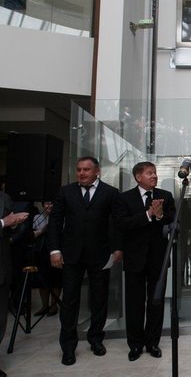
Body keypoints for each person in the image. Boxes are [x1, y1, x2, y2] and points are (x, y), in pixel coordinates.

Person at [47, 157, 122, 366]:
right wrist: (54, 250)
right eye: (79, 169)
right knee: (70, 300)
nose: (82, 173)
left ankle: (96, 339)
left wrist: (117, 247)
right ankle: (68, 347)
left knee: (99, 299)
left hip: (100, 254)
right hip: (71, 255)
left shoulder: (110, 192)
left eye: (86, 169)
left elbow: (116, 223)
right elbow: (55, 221)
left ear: (97, 171)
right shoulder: (66, 192)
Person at [115, 162, 175, 362]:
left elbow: (174, 222)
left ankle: (152, 343)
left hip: (158, 258)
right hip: (134, 258)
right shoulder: (124, 198)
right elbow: (122, 224)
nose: (154, 176)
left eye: (155, 172)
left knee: (156, 302)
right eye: (149, 173)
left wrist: (160, 216)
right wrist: (148, 215)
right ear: (138, 177)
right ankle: (135, 344)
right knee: (134, 303)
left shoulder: (165, 196)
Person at [0, 191, 29, 377]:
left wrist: (14, 224)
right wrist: (4, 223)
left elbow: (12, 231)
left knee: (1, 321)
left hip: (3, 268)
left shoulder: (4, 198)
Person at [32, 201, 61, 316]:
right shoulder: (37, 217)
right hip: (41, 251)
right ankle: (44, 306)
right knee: (42, 280)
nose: (49, 206)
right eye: (47, 204)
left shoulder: (60, 216)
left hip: (56, 251)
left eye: (52, 203)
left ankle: (54, 305)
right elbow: (32, 234)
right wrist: (42, 230)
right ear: (43, 205)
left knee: (56, 279)